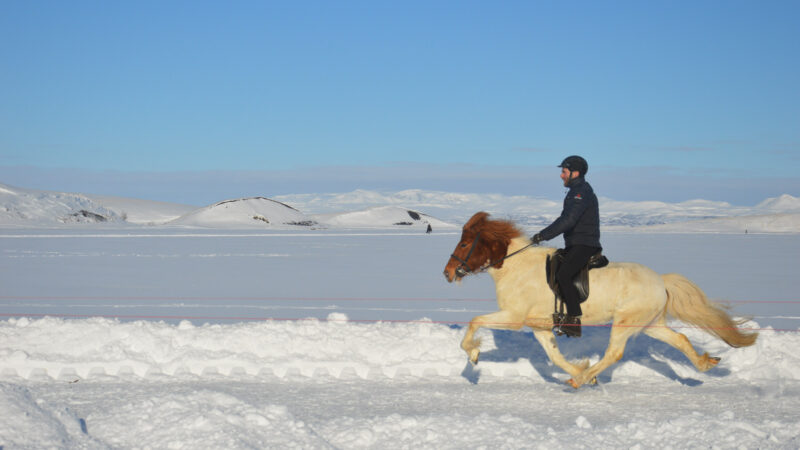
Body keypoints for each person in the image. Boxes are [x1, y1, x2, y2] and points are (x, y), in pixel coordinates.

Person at [531, 155, 601, 337]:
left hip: (585, 244)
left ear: (575, 173)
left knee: (563, 274)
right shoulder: (576, 191)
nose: (561, 175)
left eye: (564, 171)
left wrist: (543, 235)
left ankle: (574, 318)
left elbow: (568, 220)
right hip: (576, 243)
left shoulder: (580, 192)